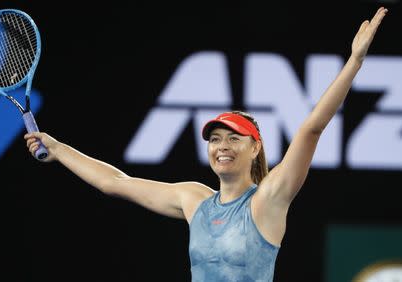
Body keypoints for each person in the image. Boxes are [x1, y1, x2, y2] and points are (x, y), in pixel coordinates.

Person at [25, 7, 388, 282]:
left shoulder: (269, 199)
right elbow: (115, 183)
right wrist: (58, 149)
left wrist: (354, 62)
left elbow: (310, 129)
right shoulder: (192, 199)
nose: (222, 146)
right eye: (215, 139)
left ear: (255, 148)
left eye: (234, 138)